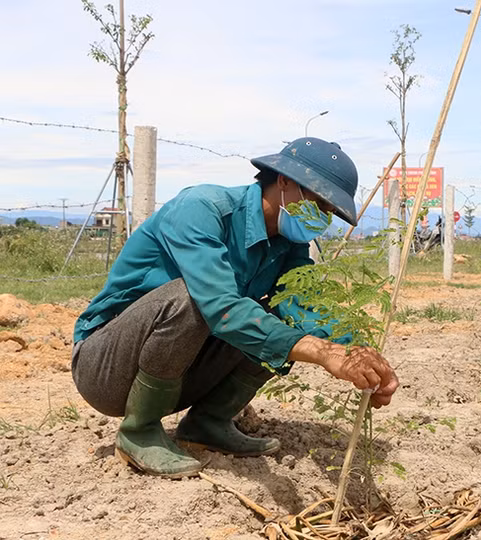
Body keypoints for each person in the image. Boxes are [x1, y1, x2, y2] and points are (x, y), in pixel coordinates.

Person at [71, 137, 399, 478]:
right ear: (284, 181)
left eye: (330, 212)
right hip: (105, 367)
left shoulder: (289, 245)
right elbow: (219, 306)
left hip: (183, 369)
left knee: (277, 322)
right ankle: (138, 431)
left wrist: (356, 353)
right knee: (192, 299)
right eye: (319, 203)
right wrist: (320, 351)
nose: (323, 218)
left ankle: (208, 423)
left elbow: (304, 309)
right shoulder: (202, 209)